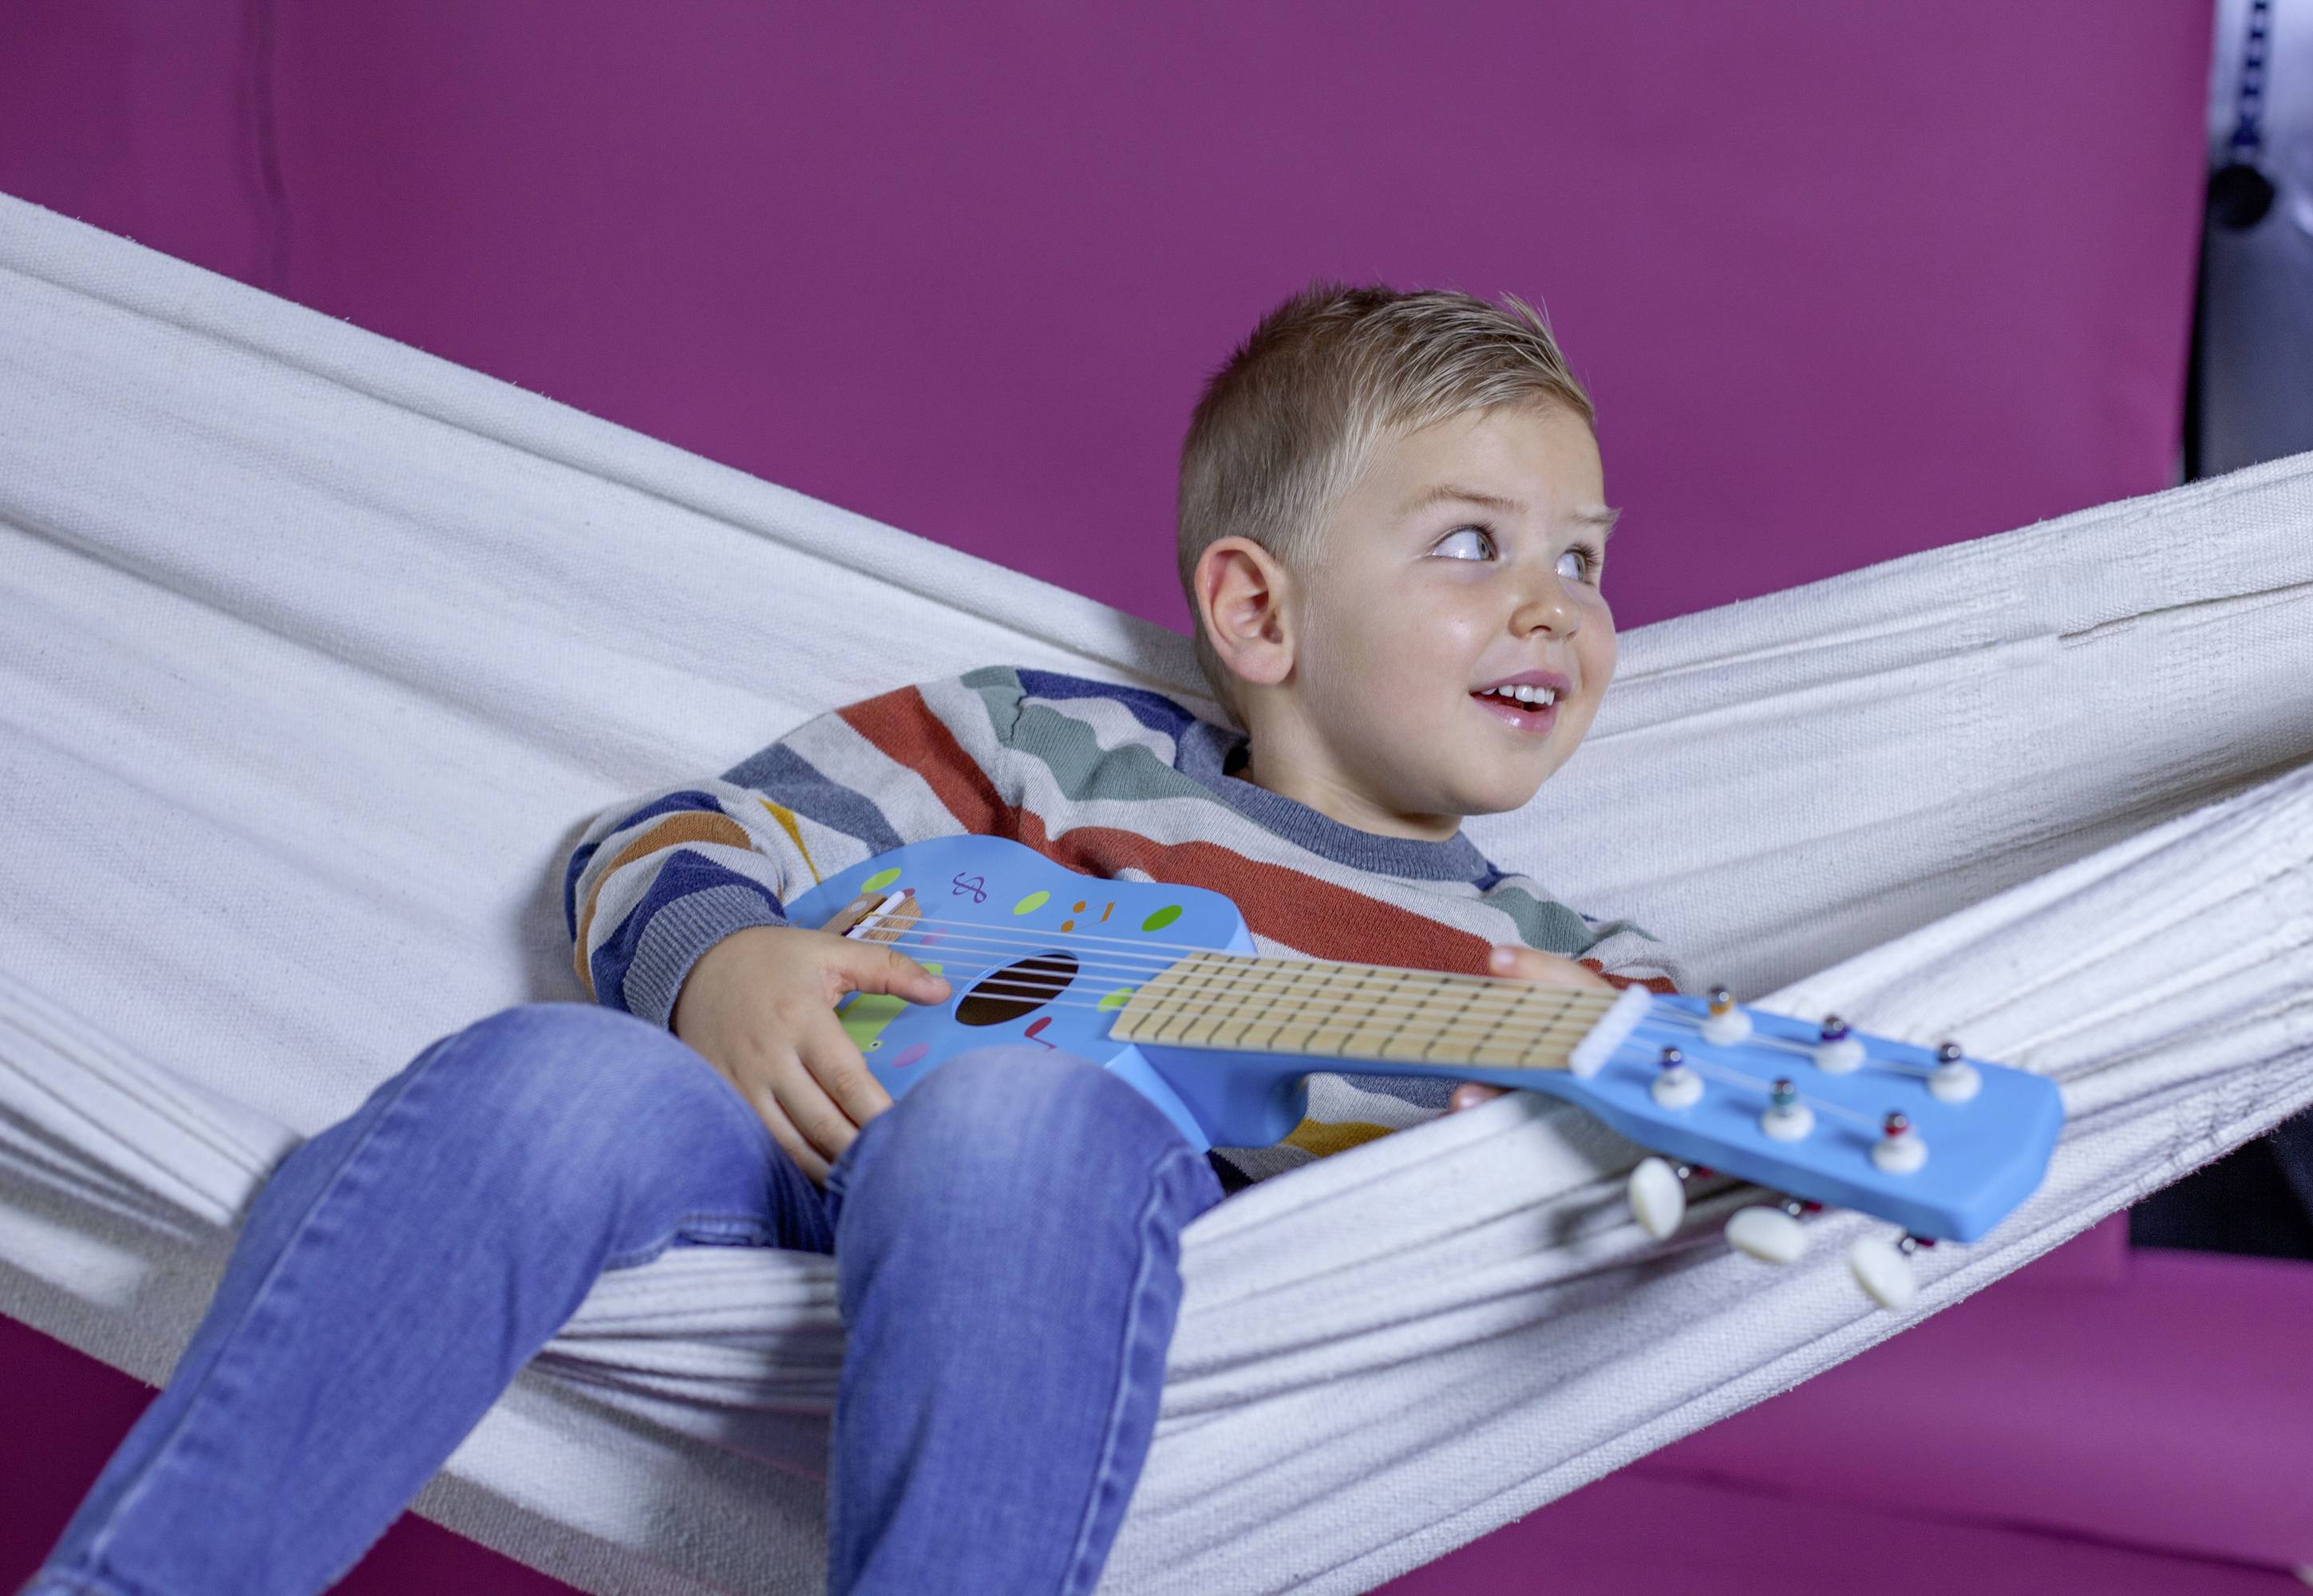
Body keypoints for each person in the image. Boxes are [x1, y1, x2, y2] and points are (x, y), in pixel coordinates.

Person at [24, 282, 1683, 1596]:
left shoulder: (1524, 950)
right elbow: (669, 837)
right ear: (1257, 611)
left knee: (1019, 1110)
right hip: (777, 1148)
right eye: (1476, 543)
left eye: (1587, 560)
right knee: (551, 1074)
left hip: (1083, 1257)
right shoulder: (1055, 744)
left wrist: (1585, 1056)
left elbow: (1689, 1059)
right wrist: (726, 967)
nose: (1558, 603)